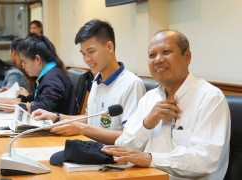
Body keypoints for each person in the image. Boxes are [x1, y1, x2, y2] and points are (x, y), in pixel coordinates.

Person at [101, 30, 230, 180]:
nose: (158, 60)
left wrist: (150, 159)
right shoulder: (149, 99)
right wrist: (146, 124)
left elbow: (205, 160)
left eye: (166, 52)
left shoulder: (210, 98)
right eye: (152, 55)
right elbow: (121, 148)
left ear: (187, 56)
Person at [33, 19, 146, 144]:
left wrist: (83, 130)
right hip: (91, 149)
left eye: (91, 52)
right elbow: (89, 119)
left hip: (115, 158)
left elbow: (130, 138)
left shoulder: (132, 84)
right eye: (83, 53)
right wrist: (56, 117)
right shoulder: (97, 80)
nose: (87, 59)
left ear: (109, 47)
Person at [16, 34, 76, 114]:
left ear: (37, 59)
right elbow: (38, 99)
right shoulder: (49, 74)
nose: (23, 66)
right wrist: (23, 99)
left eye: (24, 62)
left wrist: (15, 106)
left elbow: (46, 107)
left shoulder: (53, 78)